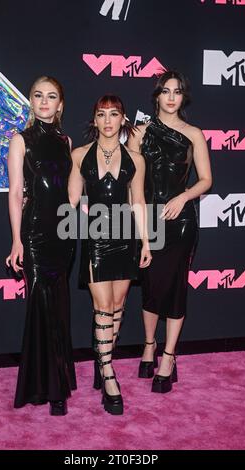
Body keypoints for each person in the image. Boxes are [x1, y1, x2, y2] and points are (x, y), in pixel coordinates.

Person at [128, 70, 212, 393]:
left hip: (180, 220)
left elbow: (206, 179)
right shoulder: (140, 132)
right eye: (166, 91)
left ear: (183, 97)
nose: (172, 97)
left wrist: (183, 196)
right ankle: (149, 345)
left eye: (177, 91)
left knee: (176, 289)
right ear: (157, 96)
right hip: (147, 219)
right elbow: (133, 180)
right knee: (150, 286)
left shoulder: (194, 134)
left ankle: (168, 356)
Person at [68, 94, 151, 415]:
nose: (107, 120)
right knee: (102, 306)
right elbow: (72, 199)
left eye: (113, 114)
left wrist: (145, 242)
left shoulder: (136, 159)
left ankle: (102, 359)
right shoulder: (79, 155)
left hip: (126, 238)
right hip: (96, 239)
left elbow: (139, 203)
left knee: (117, 306)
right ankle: (108, 373)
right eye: (101, 114)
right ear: (94, 120)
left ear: (123, 119)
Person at [6, 76, 76, 415]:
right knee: (42, 306)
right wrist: (16, 239)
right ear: (31, 102)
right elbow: (16, 192)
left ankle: (58, 380)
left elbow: (71, 191)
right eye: (38, 96)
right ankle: (48, 388)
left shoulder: (66, 140)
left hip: (64, 233)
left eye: (52, 97)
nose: (45, 101)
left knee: (60, 307)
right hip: (34, 233)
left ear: (60, 105)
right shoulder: (20, 140)